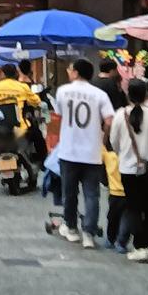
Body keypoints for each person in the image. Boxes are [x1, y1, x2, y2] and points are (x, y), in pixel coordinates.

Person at [52, 58, 112, 248]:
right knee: (92, 195)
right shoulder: (99, 94)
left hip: (68, 151)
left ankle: (71, 229)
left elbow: (58, 117)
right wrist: (102, 139)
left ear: (76, 72)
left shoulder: (63, 91)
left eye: (70, 69)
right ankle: (89, 233)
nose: (69, 72)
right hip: (92, 153)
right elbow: (110, 120)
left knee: (69, 193)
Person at [109, 79, 148, 262]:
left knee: (134, 208)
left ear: (128, 95)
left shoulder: (119, 115)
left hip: (128, 170)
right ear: (147, 95)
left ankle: (139, 245)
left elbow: (114, 142)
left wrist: (125, 155)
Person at [102, 134, 126, 251]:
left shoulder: (108, 156)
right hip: (127, 194)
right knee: (125, 219)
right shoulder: (127, 157)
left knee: (112, 218)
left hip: (114, 194)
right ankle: (121, 243)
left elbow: (100, 147)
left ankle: (110, 239)